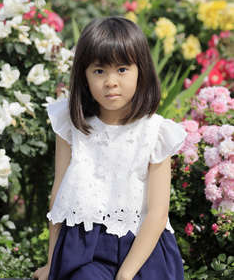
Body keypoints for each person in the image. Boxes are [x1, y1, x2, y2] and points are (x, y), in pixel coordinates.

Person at [33, 16, 187, 280]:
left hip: (144, 250)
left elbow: (158, 213)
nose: (111, 81)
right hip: (84, 250)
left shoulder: (155, 132)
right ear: (84, 76)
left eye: (123, 69)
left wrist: (125, 275)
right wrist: (52, 265)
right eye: (99, 71)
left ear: (141, 71)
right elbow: (59, 198)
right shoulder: (73, 126)